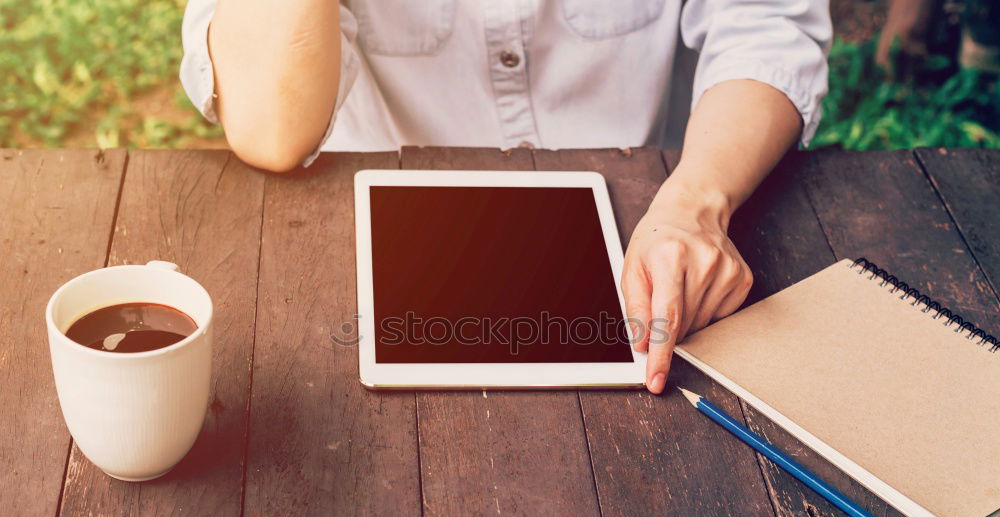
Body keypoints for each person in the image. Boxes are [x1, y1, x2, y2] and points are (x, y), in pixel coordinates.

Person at [180, 0, 831, 394]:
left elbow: (767, 25)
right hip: (378, 274)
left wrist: (697, 202)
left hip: (653, 226)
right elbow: (271, 128)